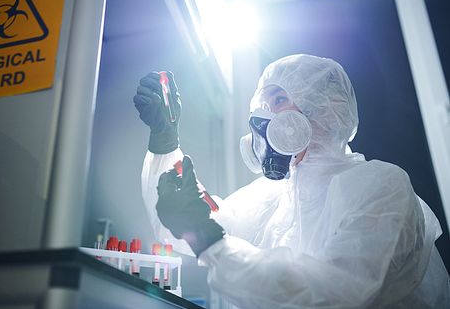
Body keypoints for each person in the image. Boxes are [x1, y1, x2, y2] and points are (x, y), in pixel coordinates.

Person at [133, 54, 450, 308]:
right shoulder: (269, 196)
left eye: (279, 99)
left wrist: (210, 240)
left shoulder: (379, 187)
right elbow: (192, 221)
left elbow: (335, 293)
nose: (266, 117)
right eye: (263, 106)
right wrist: (165, 141)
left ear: (327, 108)